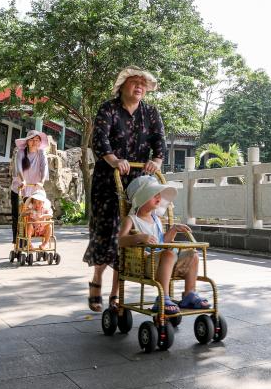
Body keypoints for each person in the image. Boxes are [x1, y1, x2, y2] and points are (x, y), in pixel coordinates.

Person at [83, 66, 165, 312]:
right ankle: (97, 278)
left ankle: (116, 292)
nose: (139, 86)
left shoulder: (150, 112)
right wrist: (114, 160)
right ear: (122, 86)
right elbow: (100, 139)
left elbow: (159, 142)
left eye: (143, 83)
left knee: (129, 231)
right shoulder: (108, 109)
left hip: (138, 182)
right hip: (108, 179)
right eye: (134, 82)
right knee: (105, 231)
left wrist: (156, 161)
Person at [119, 175, 209, 314]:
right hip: (146, 263)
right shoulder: (131, 220)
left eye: (159, 194)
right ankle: (163, 297)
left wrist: (173, 230)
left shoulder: (156, 219)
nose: (159, 197)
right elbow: (120, 240)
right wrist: (140, 237)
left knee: (193, 255)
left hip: (165, 260)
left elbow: (162, 242)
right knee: (168, 254)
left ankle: (189, 293)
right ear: (141, 198)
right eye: (154, 194)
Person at [11, 129, 50, 246]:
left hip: (34, 192)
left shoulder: (41, 153)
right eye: (32, 140)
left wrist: (41, 182)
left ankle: (29, 241)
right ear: (27, 142)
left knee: (32, 216)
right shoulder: (21, 152)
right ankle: (17, 242)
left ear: (40, 142)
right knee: (18, 216)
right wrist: (22, 180)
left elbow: (44, 168)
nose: (34, 142)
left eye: (37, 140)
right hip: (20, 188)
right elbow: (18, 167)